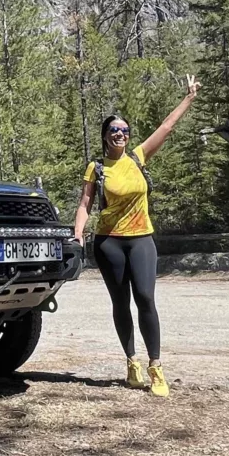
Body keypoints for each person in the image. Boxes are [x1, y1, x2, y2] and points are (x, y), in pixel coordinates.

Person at [72, 75, 202, 397]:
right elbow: (86, 203)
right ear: (105, 136)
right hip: (109, 242)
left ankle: (156, 366)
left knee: (145, 298)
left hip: (142, 238)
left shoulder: (137, 157)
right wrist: (78, 234)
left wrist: (189, 97)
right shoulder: (97, 167)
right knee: (121, 302)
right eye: (114, 130)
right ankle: (132, 363)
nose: (120, 134)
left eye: (125, 130)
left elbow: (167, 127)